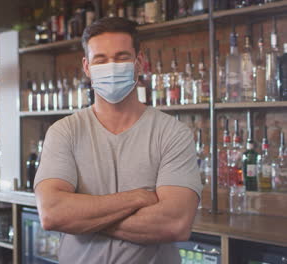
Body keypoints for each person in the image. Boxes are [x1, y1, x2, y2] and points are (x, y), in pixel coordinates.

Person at [34, 17, 202, 263]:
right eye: (100, 60)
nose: (111, 67)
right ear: (87, 67)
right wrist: (137, 198)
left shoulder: (172, 133)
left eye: (122, 57)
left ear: (139, 62)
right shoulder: (64, 132)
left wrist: (83, 218)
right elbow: (53, 214)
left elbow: (174, 224)